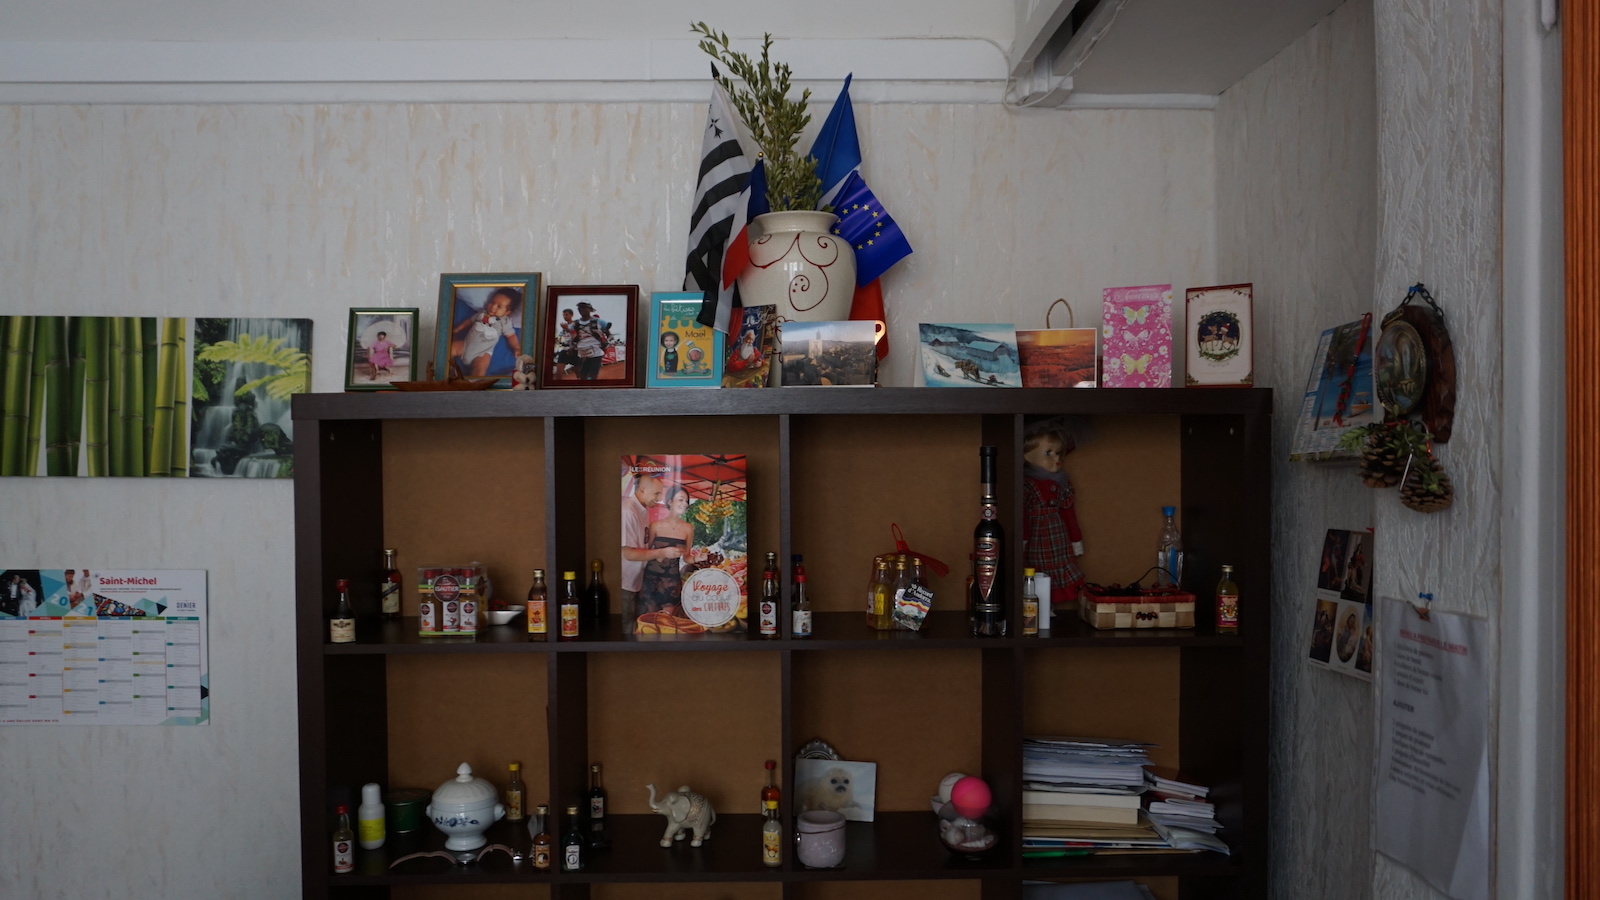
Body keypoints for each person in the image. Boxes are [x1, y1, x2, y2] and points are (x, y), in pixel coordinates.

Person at [1021, 420, 1086, 606]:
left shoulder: (1062, 483)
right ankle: (1039, 605)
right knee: (1037, 570)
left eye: (1058, 453)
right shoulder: (1028, 485)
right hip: (1037, 536)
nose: (1056, 458)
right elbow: (1024, 515)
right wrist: (1023, 539)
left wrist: (1076, 540)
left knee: (1059, 566)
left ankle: (1048, 606)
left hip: (1058, 535)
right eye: (1048, 453)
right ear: (1027, 455)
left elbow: (1068, 513)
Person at [620, 473, 682, 630]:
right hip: (625, 583)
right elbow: (629, 554)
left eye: (660, 493)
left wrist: (657, 555)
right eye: (656, 493)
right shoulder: (628, 511)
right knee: (628, 629)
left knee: (638, 626)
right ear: (642, 490)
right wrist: (662, 553)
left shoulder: (643, 510)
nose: (659, 498)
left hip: (638, 581)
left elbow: (642, 545)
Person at [639, 485, 694, 617]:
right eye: (681, 499)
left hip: (672, 581)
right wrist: (659, 554)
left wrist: (699, 559)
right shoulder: (655, 525)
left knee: (669, 621)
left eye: (686, 501)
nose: (684, 504)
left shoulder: (688, 528)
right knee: (649, 620)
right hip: (651, 578)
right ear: (669, 502)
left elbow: (687, 557)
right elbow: (644, 552)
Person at [451, 287, 522, 376]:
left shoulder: (505, 321)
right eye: (492, 302)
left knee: (480, 369)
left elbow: (511, 335)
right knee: (449, 348)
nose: (493, 307)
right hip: (465, 345)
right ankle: (444, 372)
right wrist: (458, 329)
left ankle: (471, 385)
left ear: (507, 312)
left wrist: (516, 347)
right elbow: (469, 321)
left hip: (482, 354)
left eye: (499, 306)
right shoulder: (482, 313)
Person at [573, 302, 611, 380]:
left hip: (595, 354)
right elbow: (572, 337)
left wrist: (606, 343)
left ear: (590, 309)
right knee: (582, 377)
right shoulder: (575, 323)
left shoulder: (600, 322)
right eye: (579, 308)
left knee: (591, 378)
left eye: (584, 307)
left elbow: (609, 335)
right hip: (581, 354)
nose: (581, 309)